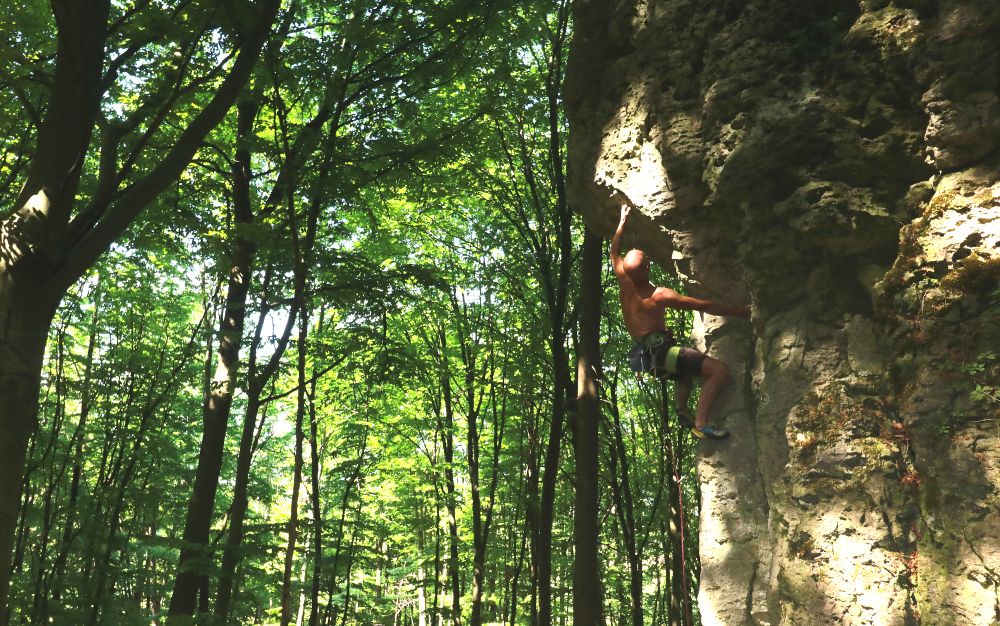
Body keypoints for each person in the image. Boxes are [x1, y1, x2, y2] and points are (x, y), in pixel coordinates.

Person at [611, 203, 750, 439]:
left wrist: (622, 222)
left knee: (683, 371)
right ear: (647, 267)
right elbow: (703, 305)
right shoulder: (659, 296)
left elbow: (613, 252)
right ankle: (701, 424)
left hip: (646, 359)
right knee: (719, 371)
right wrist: (739, 311)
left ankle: (681, 408)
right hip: (662, 352)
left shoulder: (624, 279)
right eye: (648, 261)